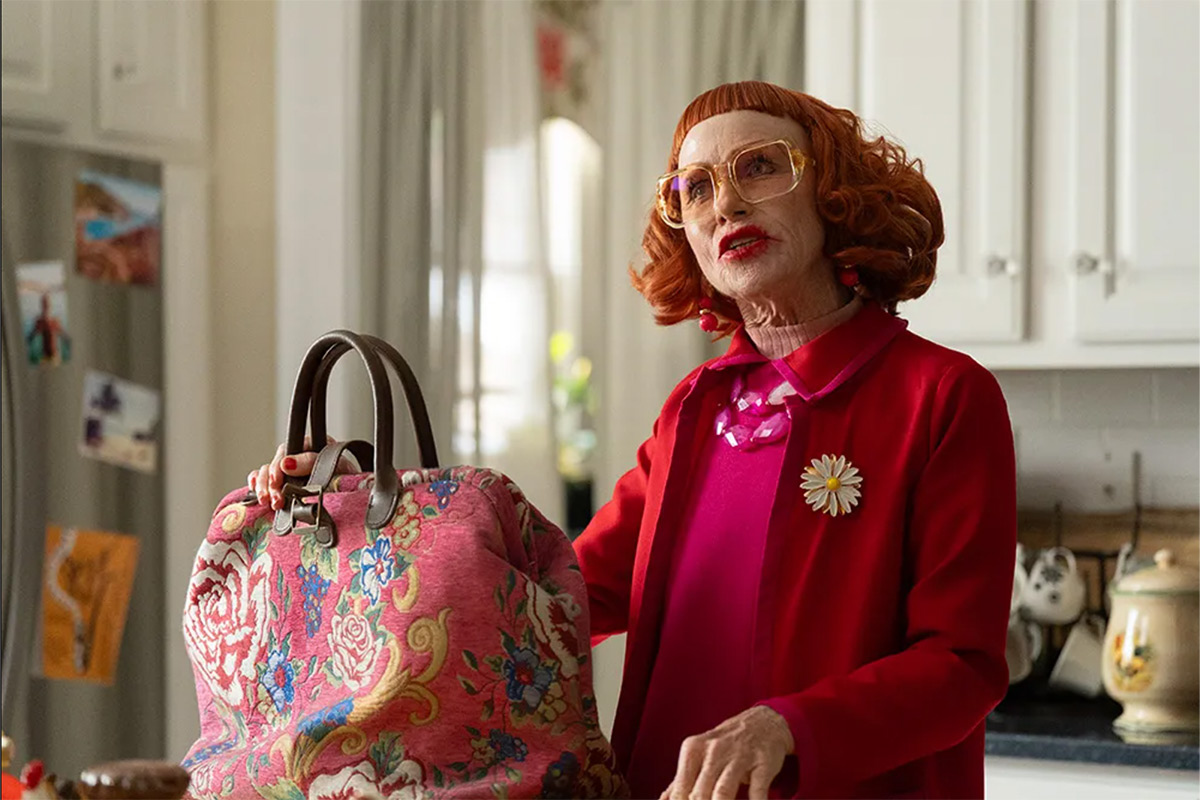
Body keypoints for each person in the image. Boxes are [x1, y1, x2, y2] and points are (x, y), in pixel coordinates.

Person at [250, 81, 1016, 800]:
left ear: (832, 192)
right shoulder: (695, 408)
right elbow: (550, 594)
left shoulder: (942, 395)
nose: (727, 204)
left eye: (760, 167)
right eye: (698, 188)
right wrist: (345, 514)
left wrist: (788, 729)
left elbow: (963, 666)